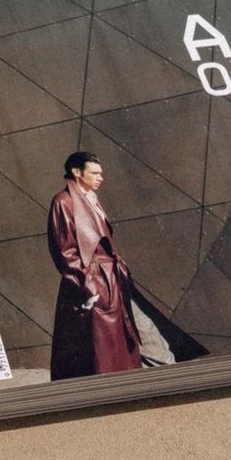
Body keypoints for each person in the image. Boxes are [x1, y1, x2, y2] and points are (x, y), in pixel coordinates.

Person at [47, 150, 178, 379]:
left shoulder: (89, 198)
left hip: (112, 279)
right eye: (95, 173)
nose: (100, 178)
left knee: (138, 331)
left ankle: (163, 373)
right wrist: (88, 285)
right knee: (101, 347)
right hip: (94, 283)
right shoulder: (64, 202)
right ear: (77, 173)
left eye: (101, 173)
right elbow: (65, 251)